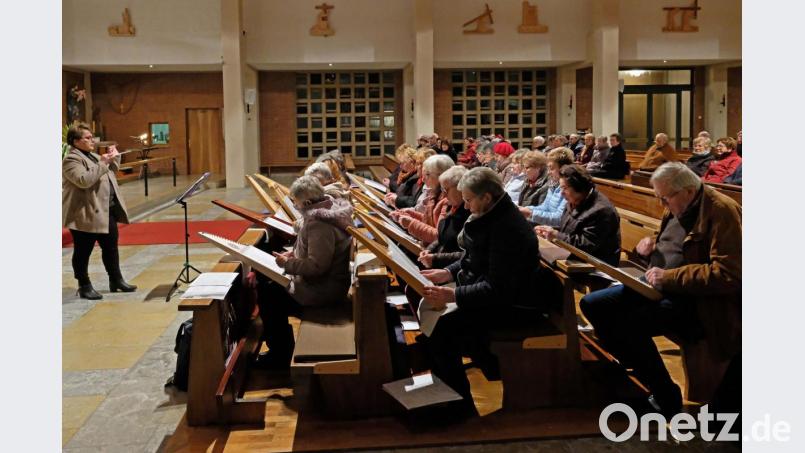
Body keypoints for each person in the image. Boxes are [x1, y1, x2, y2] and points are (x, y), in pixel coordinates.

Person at [580, 162, 741, 417]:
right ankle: (642, 375)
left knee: (626, 323)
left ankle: (664, 394)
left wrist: (669, 277)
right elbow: (675, 242)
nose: (663, 205)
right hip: (657, 285)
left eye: (664, 198)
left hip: (699, 302)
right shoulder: (680, 205)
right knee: (593, 304)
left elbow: (728, 274)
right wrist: (652, 242)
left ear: (687, 191)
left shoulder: (721, 211)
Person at [419, 167, 543, 413]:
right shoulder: (491, 215)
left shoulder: (507, 228)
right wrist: (449, 273)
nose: (465, 206)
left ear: (486, 197)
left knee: (444, 330)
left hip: (515, 306)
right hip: (497, 296)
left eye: (468, 200)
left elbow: (498, 288)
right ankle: (449, 396)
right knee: (436, 325)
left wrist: (454, 295)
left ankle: (459, 408)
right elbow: (472, 258)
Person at [256, 176, 354, 369]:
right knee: (269, 287)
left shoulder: (319, 224)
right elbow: (315, 250)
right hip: (329, 284)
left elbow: (317, 267)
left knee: (269, 296)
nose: (295, 206)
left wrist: (287, 264)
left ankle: (280, 354)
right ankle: (279, 347)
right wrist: (293, 254)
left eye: (296, 203)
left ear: (307, 202)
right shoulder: (327, 210)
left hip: (323, 291)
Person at [63, 123, 137, 299]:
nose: (92, 141)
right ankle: (84, 285)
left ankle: (116, 280)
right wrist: (103, 163)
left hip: (105, 211)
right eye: (87, 138)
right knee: (83, 251)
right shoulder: (71, 160)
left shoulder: (94, 156)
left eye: (92, 137)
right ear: (75, 141)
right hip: (84, 214)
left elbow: (108, 173)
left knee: (111, 248)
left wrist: (114, 159)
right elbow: (83, 180)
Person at [534, 165, 621, 266]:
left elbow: (586, 245)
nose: (561, 193)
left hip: (595, 264)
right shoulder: (574, 200)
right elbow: (567, 228)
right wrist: (547, 231)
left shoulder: (602, 210)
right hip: (571, 254)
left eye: (564, 188)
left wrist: (556, 235)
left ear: (579, 187)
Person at [391, 154, 455, 245]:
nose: (423, 179)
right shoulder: (434, 192)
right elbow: (428, 221)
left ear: (442, 175)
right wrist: (411, 214)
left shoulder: (449, 199)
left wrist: (411, 223)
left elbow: (439, 236)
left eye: (427, 174)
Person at [417, 165, 471, 269]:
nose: (443, 195)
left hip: (452, 270)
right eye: (442, 190)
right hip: (440, 263)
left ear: (460, 188)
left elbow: (467, 254)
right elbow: (442, 238)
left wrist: (436, 258)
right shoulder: (451, 206)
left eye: (446, 190)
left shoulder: (469, 213)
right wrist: (429, 250)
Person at [519, 147, 575, 226]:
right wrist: (526, 209)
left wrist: (530, 213)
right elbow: (546, 207)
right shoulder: (554, 184)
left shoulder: (570, 188)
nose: (548, 172)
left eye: (551, 168)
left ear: (563, 168)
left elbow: (560, 219)